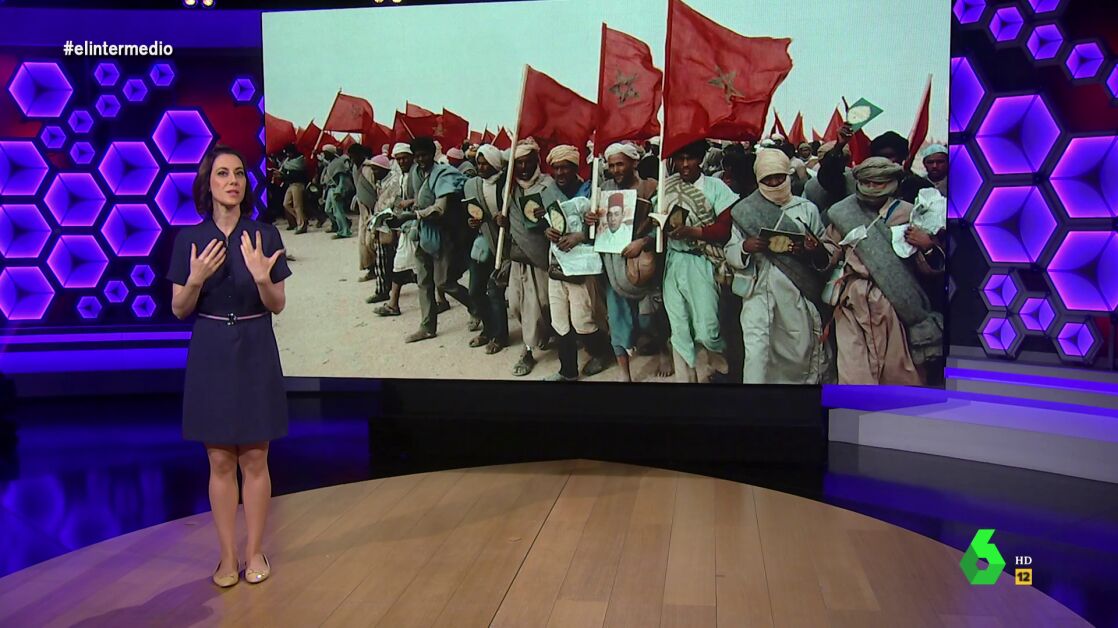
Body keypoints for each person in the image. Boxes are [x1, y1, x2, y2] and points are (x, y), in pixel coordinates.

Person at [166, 145, 291, 588]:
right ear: (208, 183)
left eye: (238, 173)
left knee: (255, 456)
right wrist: (196, 279)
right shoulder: (190, 239)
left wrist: (261, 277)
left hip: (255, 345)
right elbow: (180, 308)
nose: (233, 181)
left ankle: (255, 551)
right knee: (219, 460)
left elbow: (277, 303)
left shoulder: (264, 236)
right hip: (212, 348)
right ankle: (226, 557)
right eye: (222, 173)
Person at [820, 157, 944, 385]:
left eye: (879, 182)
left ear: (892, 182)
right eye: (867, 182)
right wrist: (815, 250)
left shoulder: (911, 213)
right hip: (852, 301)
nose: (872, 187)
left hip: (895, 301)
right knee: (853, 371)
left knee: (897, 372)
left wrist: (926, 246)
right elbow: (829, 250)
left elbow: (927, 267)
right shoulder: (843, 213)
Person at [723, 149, 829, 384]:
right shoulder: (745, 210)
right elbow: (730, 252)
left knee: (798, 352)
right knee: (756, 354)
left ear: (788, 176)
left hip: (796, 290)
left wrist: (812, 250)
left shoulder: (806, 209)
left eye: (779, 177)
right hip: (757, 290)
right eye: (767, 179)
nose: (773, 183)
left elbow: (826, 253)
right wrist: (745, 247)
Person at [585, 142, 667, 382]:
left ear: (634, 162)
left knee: (650, 318)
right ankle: (624, 372)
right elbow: (593, 228)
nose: (616, 170)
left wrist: (643, 241)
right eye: (611, 166)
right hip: (613, 266)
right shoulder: (603, 190)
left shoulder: (651, 188)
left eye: (620, 164)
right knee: (618, 318)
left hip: (642, 265)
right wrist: (590, 220)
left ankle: (664, 350)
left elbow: (663, 226)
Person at [661, 139, 737, 382]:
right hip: (675, 260)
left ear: (701, 159)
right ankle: (686, 381)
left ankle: (720, 366)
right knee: (679, 326)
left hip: (703, 260)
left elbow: (724, 229)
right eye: (680, 159)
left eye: (690, 158)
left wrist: (693, 232)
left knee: (707, 328)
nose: (685, 164)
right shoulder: (666, 187)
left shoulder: (715, 187)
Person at [543, 145, 610, 381]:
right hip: (557, 264)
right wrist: (547, 231)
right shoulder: (548, 192)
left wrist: (581, 235)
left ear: (574, 168)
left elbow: (607, 228)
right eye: (556, 168)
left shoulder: (591, 191)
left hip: (581, 266)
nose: (560, 173)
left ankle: (603, 352)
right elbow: (545, 223)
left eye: (565, 168)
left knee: (582, 320)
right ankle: (567, 371)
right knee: (560, 321)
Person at [493, 138, 556, 377]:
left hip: (540, 256)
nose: (524, 168)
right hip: (518, 257)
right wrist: (502, 221)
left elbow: (561, 218)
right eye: (518, 163)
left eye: (528, 162)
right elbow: (509, 221)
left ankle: (527, 351)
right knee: (517, 304)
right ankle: (541, 334)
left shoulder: (548, 185)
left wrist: (547, 215)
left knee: (539, 304)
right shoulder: (509, 189)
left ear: (537, 161)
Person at [402, 136, 472, 343]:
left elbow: (440, 208)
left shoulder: (443, 174)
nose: (420, 160)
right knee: (423, 282)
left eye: (424, 155)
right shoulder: (416, 174)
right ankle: (427, 326)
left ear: (433, 155)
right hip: (423, 233)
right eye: (417, 156)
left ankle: (478, 308)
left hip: (443, 234)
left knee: (444, 282)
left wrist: (414, 215)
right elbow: (419, 198)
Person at [463, 144, 509, 352]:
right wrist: (472, 222)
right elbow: (471, 212)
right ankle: (488, 329)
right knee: (475, 290)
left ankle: (500, 336)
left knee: (495, 290)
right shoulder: (473, 185)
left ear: (495, 164)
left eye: (485, 164)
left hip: (503, 245)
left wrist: (504, 220)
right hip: (483, 243)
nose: (480, 167)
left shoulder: (507, 185)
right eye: (478, 163)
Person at [362, 154, 399, 305]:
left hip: (388, 224)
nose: (373, 172)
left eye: (376, 169)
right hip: (381, 223)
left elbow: (388, 205)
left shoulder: (393, 182)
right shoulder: (382, 182)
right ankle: (384, 288)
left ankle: (383, 291)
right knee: (383, 259)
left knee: (385, 259)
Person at [349, 144, 379, 284]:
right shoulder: (355, 168)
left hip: (373, 209)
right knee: (363, 242)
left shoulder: (369, 168)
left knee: (371, 241)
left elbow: (375, 188)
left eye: (355, 156)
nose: (353, 159)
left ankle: (378, 268)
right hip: (362, 209)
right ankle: (370, 269)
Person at [321, 145, 354, 238]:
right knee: (328, 210)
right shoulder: (331, 163)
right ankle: (342, 223)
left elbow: (342, 178)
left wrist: (339, 190)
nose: (324, 155)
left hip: (336, 189)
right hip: (330, 189)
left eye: (325, 153)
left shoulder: (339, 163)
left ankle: (344, 231)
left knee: (338, 211)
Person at [279, 145, 309, 234]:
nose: (288, 155)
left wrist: (285, 176)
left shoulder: (300, 161)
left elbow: (297, 175)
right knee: (286, 204)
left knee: (297, 206)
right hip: (291, 184)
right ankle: (302, 219)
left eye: (289, 153)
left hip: (298, 184)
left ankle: (301, 225)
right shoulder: (287, 162)